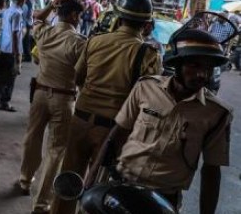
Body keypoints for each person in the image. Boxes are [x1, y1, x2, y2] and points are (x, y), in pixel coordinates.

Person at [85, 28, 233, 212]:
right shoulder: (145, 88)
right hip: (120, 186)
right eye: (194, 66)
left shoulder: (217, 113)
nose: (202, 74)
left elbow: (211, 170)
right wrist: (92, 176)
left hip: (164, 200)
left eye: (208, 68)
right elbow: (118, 132)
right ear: (177, 64)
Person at [51, 0, 163, 214]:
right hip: (113, 131)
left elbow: (78, 78)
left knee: (69, 181)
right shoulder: (148, 53)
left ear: (118, 18)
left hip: (80, 121)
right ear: (146, 25)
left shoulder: (95, 41)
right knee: (99, 189)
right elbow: (147, 98)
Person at [16, 0, 86, 214]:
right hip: (63, 99)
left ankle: (25, 180)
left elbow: (37, 18)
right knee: (56, 150)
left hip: (39, 93)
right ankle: (40, 203)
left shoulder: (44, 32)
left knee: (32, 137)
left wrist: (51, 4)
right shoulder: (79, 42)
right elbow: (83, 75)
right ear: (74, 15)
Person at [0, 0, 25, 112]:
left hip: (4, 47)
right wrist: (16, 54)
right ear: (21, 0)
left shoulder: (7, 11)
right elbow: (15, 33)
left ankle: (1, 99)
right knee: (11, 77)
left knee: (4, 76)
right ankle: (5, 102)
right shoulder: (17, 13)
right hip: (11, 49)